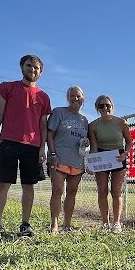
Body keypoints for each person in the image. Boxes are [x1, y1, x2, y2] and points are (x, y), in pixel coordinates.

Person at [0, 55, 52, 238]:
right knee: (3, 183)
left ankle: (25, 224)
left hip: (32, 146)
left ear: (41, 72)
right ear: (22, 67)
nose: (32, 70)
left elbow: (43, 125)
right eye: (29, 66)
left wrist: (42, 148)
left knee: (28, 185)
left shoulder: (44, 97)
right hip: (8, 142)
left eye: (36, 67)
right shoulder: (7, 88)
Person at [47, 86, 90, 233]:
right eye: (72, 96)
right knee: (57, 191)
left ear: (83, 99)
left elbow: (85, 139)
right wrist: (52, 154)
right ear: (68, 97)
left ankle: (67, 225)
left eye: (78, 96)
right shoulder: (59, 112)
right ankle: (54, 225)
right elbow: (50, 135)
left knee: (72, 192)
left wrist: (86, 142)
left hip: (77, 161)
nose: (75, 99)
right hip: (59, 159)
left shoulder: (84, 120)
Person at [88, 95, 131, 233]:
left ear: (112, 106)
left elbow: (129, 142)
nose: (105, 108)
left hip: (118, 157)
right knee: (102, 191)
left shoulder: (121, 123)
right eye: (101, 106)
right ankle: (105, 223)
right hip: (101, 157)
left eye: (108, 105)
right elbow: (94, 148)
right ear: (97, 108)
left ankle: (116, 223)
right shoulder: (93, 125)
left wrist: (125, 153)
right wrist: (91, 164)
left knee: (116, 191)